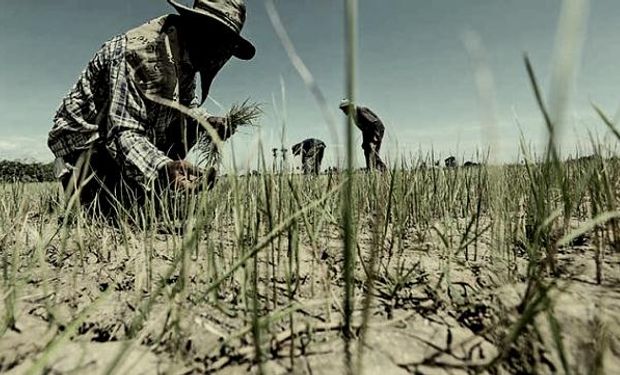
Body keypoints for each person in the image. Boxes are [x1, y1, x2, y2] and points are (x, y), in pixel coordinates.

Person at [48, 0, 255, 216]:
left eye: (227, 45)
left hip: (127, 141)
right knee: (118, 214)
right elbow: (123, 131)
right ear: (198, 28)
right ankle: (99, 191)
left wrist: (207, 121)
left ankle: (145, 189)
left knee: (190, 126)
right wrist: (162, 168)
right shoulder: (138, 53)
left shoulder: (186, 56)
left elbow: (186, 106)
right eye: (219, 40)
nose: (222, 54)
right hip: (86, 146)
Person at [338, 99, 387, 171]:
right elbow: (364, 129)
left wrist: (375, 138)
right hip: (369, 133)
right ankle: (370, 170)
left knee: (372, 152)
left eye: (344, 109)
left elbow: (374, 122)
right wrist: (365, 142)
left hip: (376, 131)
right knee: (367, 151)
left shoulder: (360, 111)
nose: (343, 111)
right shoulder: (354, 115)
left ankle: (383, 170)